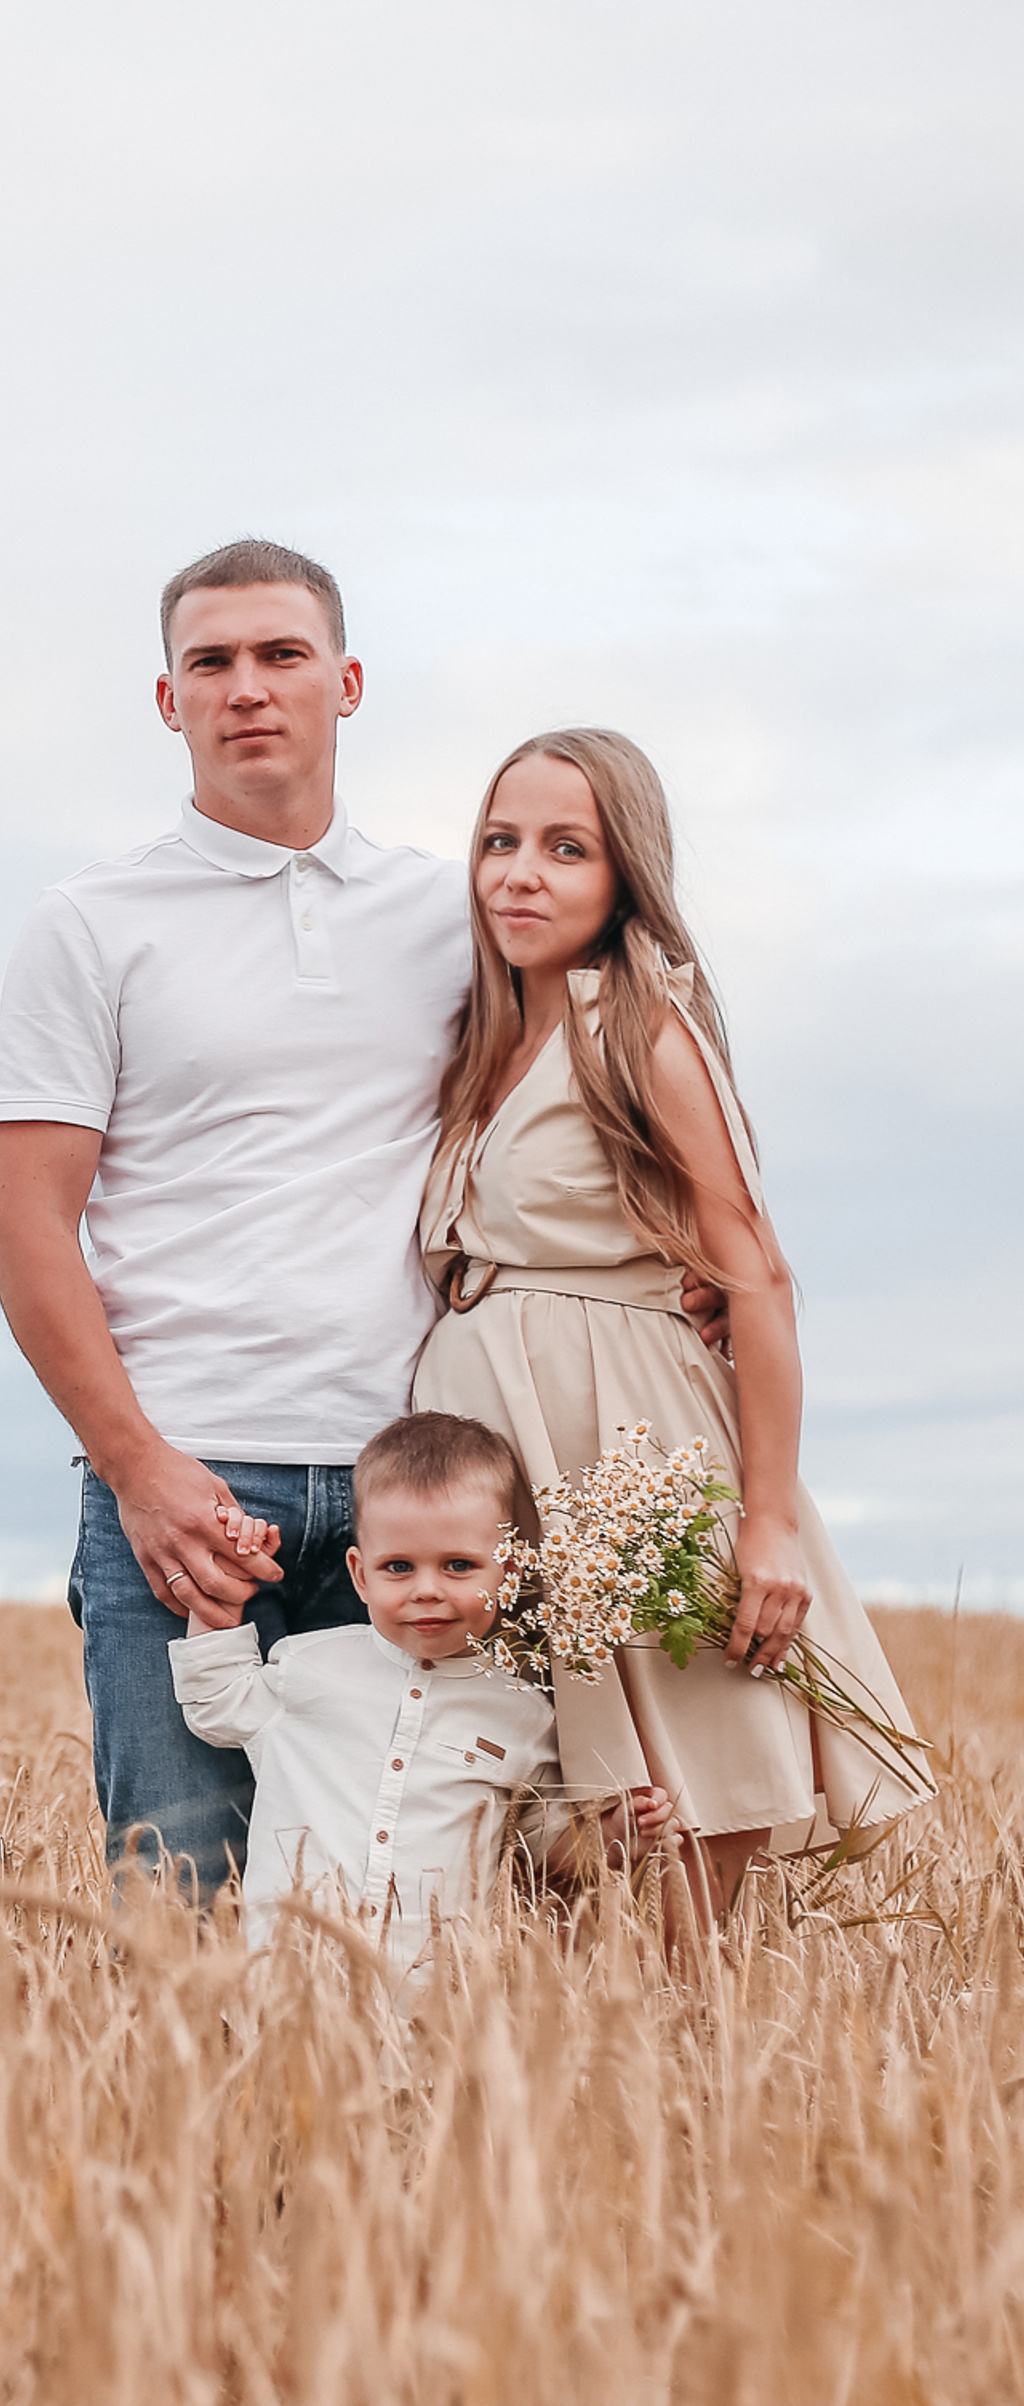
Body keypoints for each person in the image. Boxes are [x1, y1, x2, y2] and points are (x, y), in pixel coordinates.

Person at [0, 539, 718, 1889]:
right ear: (169, 700)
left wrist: (697, 1269)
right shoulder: (89, 925)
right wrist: (139, 1471)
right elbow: (27, 1225)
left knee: (442, 1895)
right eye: (211, 662)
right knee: (186, 1898)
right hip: (196, 1481)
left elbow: (600, 1088)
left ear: (347, 682)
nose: (246, 688)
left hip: (431, 1485)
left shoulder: (455, 911)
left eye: (281, 655)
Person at [410, 728, 932, 1938]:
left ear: (623, 875)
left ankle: (694, 2074)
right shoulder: (479, 1046)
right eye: (498, 842)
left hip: (625, 1442)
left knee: (690, 1781)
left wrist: (767, 1519)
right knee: (536, 1808)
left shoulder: (640, 1029)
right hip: (494, 1458)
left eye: (564, 848)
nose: (519, 874)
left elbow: (755, 1274)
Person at [169, 1411, 673, 1998]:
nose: (427, 1588)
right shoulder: (305, 1668)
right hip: (293, 1984)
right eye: (398, 1567)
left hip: (438, 2000)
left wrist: (612, 1836)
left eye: (458, 1566)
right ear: (360, 1575)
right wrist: (215, 1607)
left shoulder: (524, 1711)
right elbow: (217, 1704)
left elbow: (533, 1841)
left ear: (507, 1570)